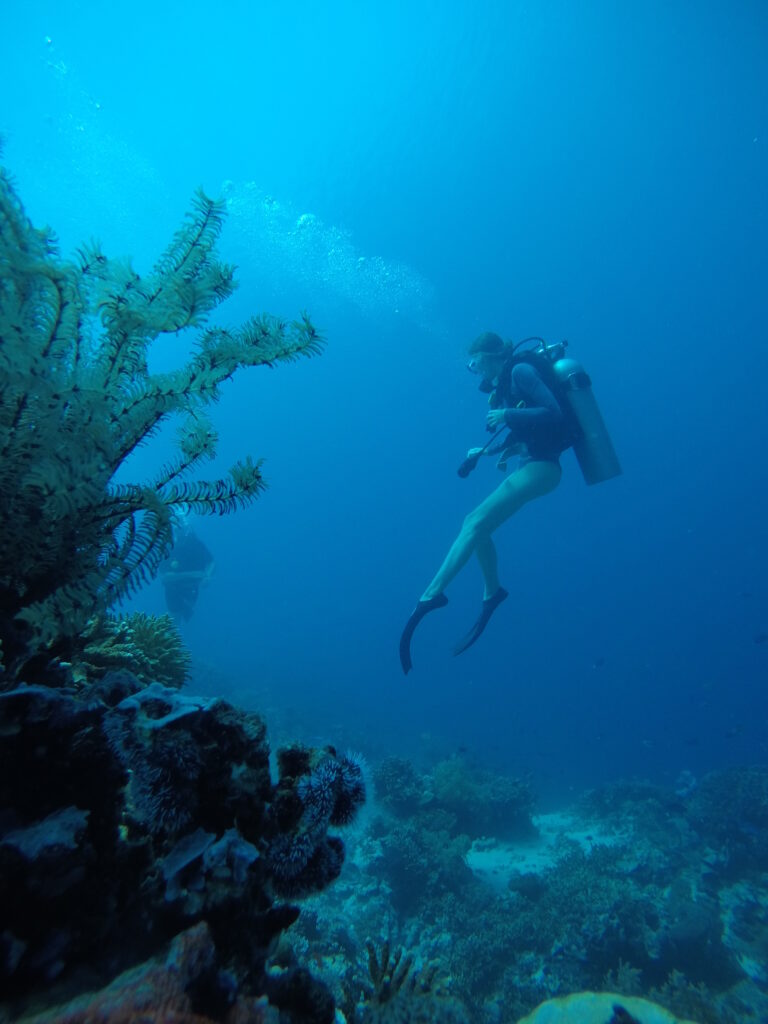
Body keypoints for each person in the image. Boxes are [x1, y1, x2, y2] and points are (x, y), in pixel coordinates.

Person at [399, 331, 576, 673]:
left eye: (476, 362)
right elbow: (522, 432)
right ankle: (492, 593)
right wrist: (486, 451)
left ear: (492, 356)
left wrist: (507, 414)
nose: (475, 369)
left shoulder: (520, 371)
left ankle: (430, 596)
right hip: (534, 466)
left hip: (543, 468)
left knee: (473, 522)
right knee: (479, 529)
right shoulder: (508, 384)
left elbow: (554, 413)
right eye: (472, 365)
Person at [159, 513, 215, 622]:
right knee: (174, 619)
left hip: (191, 589)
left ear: (185, 527)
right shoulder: (168, 547)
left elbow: (211, 561)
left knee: (184, 615)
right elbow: (165, 577)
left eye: (180, 528)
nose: (178, 531)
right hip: (173, 590)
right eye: (176, 528)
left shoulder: (195, 543)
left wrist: (207, 576)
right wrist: (193, 574)